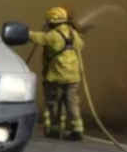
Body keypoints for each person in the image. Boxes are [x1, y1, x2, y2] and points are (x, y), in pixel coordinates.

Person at [29, 7, 85, 140]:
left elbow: (40, 38)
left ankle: (54, 129)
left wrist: (26, 33)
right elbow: (81, 45)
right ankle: (77, 130)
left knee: (53, 102)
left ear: (51, 21)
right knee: (72, 103)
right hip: (73, 78)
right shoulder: (73, 33)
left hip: (56, 77)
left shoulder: (54, 35)